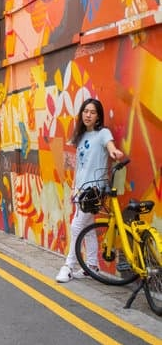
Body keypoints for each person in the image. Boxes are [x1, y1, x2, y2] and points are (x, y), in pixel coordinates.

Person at [55, 98, 124, 283]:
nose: (88, 115)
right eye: (86, 111)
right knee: (87, 227)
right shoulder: (81, 136)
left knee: (76, 226)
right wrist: (74, 187)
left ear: (98, 116)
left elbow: (110, 145)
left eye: (93, 112)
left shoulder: (103, 133)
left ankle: (68, 266)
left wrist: (114, 151)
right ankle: (91, 267)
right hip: (81, 189)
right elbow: (80, 165)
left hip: (94, 190)